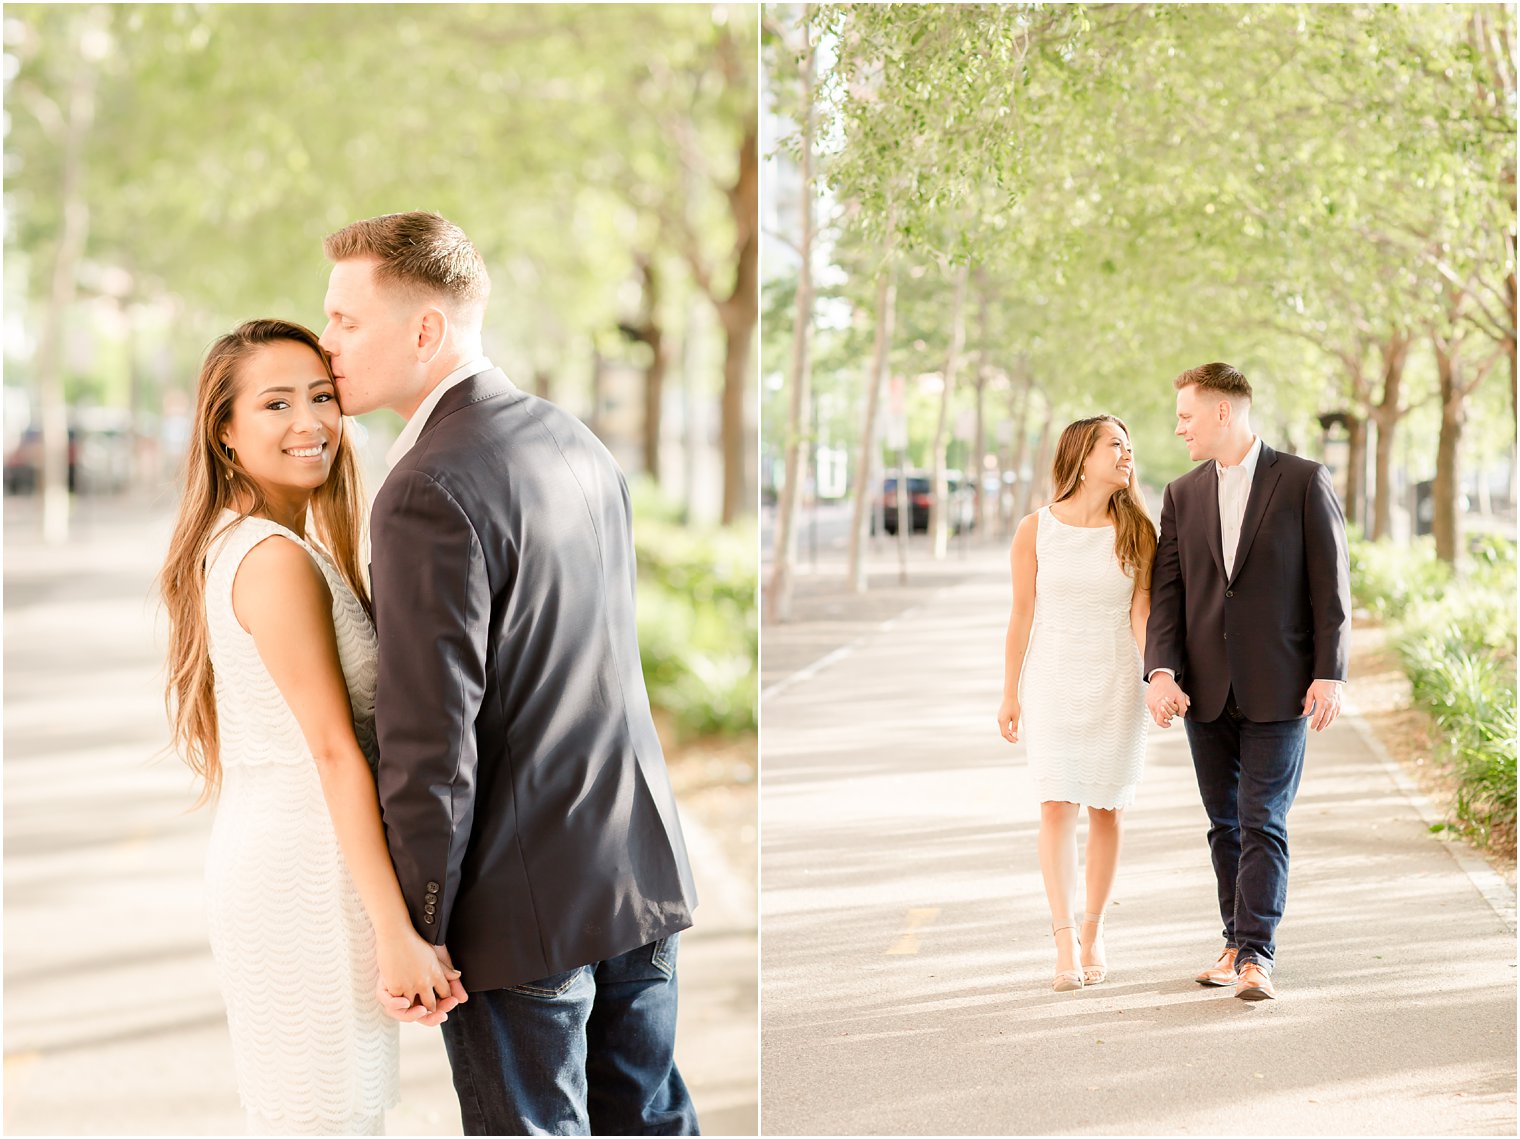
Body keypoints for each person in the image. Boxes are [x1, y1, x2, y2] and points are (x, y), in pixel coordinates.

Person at [317, 211, 700, 1135]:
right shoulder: (578, 442)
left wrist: (417, 925)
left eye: (345, 320)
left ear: (424, 330)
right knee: (649, 1123)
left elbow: (431, 738)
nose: (326, 344)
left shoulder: (423, 488)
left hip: (519, 903)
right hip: (634, 867)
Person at [160, 319, 465, 1135]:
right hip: (304, 880)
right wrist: (397, 931)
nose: (311, 422)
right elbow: (334, 751)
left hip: (294, 862)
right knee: (324, 1116)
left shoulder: (262, 542)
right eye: (276, 403)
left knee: (320, 1114)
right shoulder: (273, 559)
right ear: (224, 431)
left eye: (322, 397)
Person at [1144, 362, 1350, 1002]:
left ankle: (1258, 953)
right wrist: (1159, 671)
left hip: (1281, 684)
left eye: (1186, 415)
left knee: (1262, 818)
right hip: (1204, 691)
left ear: (1222, 413)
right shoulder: (1181, 494)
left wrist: (1328, 673)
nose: (1179, 427)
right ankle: (1234, 942)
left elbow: (1331, 588)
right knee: (1223, 824)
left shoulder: (1302, 481)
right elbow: (1168, 596)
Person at [997, 415, 1156, 993]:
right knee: (1056, 807)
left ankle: (1095, 931)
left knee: (1107, 808)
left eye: (1129, 446)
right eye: (1116, 444)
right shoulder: (1035, 530)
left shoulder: (1139, 530)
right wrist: (1009, 691)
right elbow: (1021, 616)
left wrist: (1157, 676)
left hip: (1117, 682)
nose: (1126, 454)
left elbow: (1141, 615)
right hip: (1052, 682)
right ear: (1082, 455)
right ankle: (1064, 940)